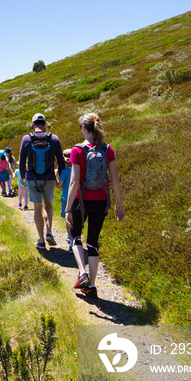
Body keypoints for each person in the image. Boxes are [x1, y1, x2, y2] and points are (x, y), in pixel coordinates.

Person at [65, 113, 125, 299]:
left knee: (75, 236)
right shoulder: (108, 150)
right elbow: (114, 179)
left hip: (80, 201)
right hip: (100, 201)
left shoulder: (77, 150)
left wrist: (68, 208)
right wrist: (119, 205)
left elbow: (74, 182)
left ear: (84, 128)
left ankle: (82, 273)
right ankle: (91, 286)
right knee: (93, 242)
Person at [18, 113, 66, 250]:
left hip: (32, 178)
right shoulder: (54, 139)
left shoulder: (26, 139)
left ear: (33, 124)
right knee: (48, 204)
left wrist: (22, 175)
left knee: (37, 208)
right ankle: (49, 231)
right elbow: (61, 161)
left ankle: (41, 240)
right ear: (44, 124)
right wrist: (61, 179)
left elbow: (22, 161)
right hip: (49, 178)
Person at [56, 149, 73, 253]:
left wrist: (55, 176)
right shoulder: (79, 170)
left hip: (66, 198)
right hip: (77, 198)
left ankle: (71, 243)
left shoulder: (65, 172)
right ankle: (76, 239)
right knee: (76, 219)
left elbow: (59, 186)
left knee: (68, 221)